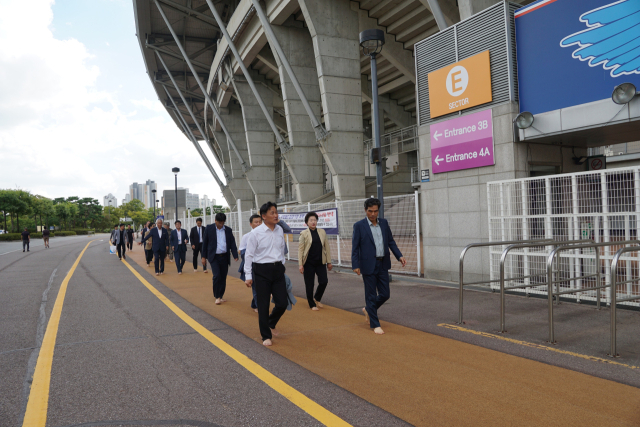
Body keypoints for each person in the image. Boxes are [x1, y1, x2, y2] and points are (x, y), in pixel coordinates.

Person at [352, 198, 406, 335]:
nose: (373, 214)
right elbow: (355, 247)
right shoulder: (359, 226)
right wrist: (355, 264)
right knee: (370, 295)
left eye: (375, 211)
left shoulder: (384, 223)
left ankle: (369, 309)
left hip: (383, 263)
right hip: (367, 264)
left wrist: (399, 256)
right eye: (370, 211)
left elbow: (390, 242)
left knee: (385, 294)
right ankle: (375, 324)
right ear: (365, 210)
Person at [244, 202, 288, 346]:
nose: (276, 215)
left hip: (278, 269)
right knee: (263, 305)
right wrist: (248, 276)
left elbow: (281, 249)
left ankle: (271, 321)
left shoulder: (279, 230)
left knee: (282, 303)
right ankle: (265, 336)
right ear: (264, 216)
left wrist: (282, 264)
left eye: (276, 212)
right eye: (272, 213)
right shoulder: (256, 233)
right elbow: (249, 255)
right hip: (261, 271)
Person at [298, 212, 333, 311]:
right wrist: (301, 264)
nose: (313, 222)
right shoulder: (304, 234)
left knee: (324, 281)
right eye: (311, 220)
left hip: (320, 262)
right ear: (307, 223)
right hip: (308, 263)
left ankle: (317, 298)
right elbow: (300, 250)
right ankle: (311, 304)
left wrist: (329, 262)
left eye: (315, 220)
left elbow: (327, 247)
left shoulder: (322, 232)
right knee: (309, 284)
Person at [202, 213, 238, 305]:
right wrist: (203, 257)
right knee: (217, 275)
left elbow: (232, 243)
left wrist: (235, 255)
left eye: (222, 223)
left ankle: (221, 296)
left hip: (224, 257)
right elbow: (205, 243)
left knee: (223, 277)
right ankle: (217, 296)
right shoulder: (209, 228)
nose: (221, 225)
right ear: (215, 221)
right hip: (214, 257)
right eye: (219, 223)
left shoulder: (228, 230)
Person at [239, 214, 262, 312]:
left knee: (261, 286)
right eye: (256, 222)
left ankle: (255, 304)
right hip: (252, 264)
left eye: (260, 222)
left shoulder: (266, 234)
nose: (258, 224)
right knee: (256, 286)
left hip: (263, 264)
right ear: (251, 224)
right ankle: (258, 306)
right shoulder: (247, 236)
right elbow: (241, 250)